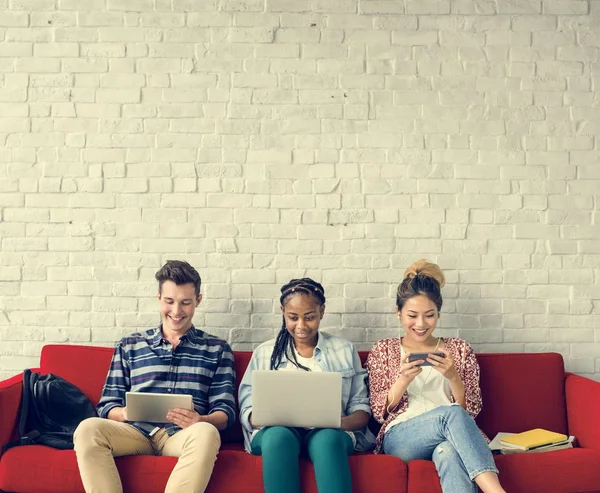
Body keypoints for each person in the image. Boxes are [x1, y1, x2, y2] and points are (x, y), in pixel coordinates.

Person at [73, 260, 236, 493]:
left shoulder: (217, 349)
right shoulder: (130, 345)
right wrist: (125, 413)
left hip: (183, 436)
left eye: (185, 303)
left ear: (198, 300)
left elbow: (225, 412)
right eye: (169, 301)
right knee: (88, 429)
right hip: (134, 432)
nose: (176, 311)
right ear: (159, 297)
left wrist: (201, 420)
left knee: (207, 432)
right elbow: (107, 405)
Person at [366, 259, 506, 493]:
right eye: (412, 315)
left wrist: (453, 377)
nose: (420, 324)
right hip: (402, 436)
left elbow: (469, 412)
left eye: (429, 315)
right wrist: (402, 381)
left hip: (452, 435)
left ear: (438, 315)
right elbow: (378, 411)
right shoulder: (383, 349)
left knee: (449, 452)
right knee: (450, 415)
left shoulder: (460, 349)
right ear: (398, 313)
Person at [238, 278, 373, 493]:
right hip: (276, 431)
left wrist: (338, 423)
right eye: (293, 317)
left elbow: (361, 408)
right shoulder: (264, 353)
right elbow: (248, 411)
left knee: (327, 440)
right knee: (277, 437)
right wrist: (264, 416)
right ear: (282, 311)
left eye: (309, 317)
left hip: (330, 431)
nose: (301, 326)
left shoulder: (344, 350)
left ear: (322, 312)